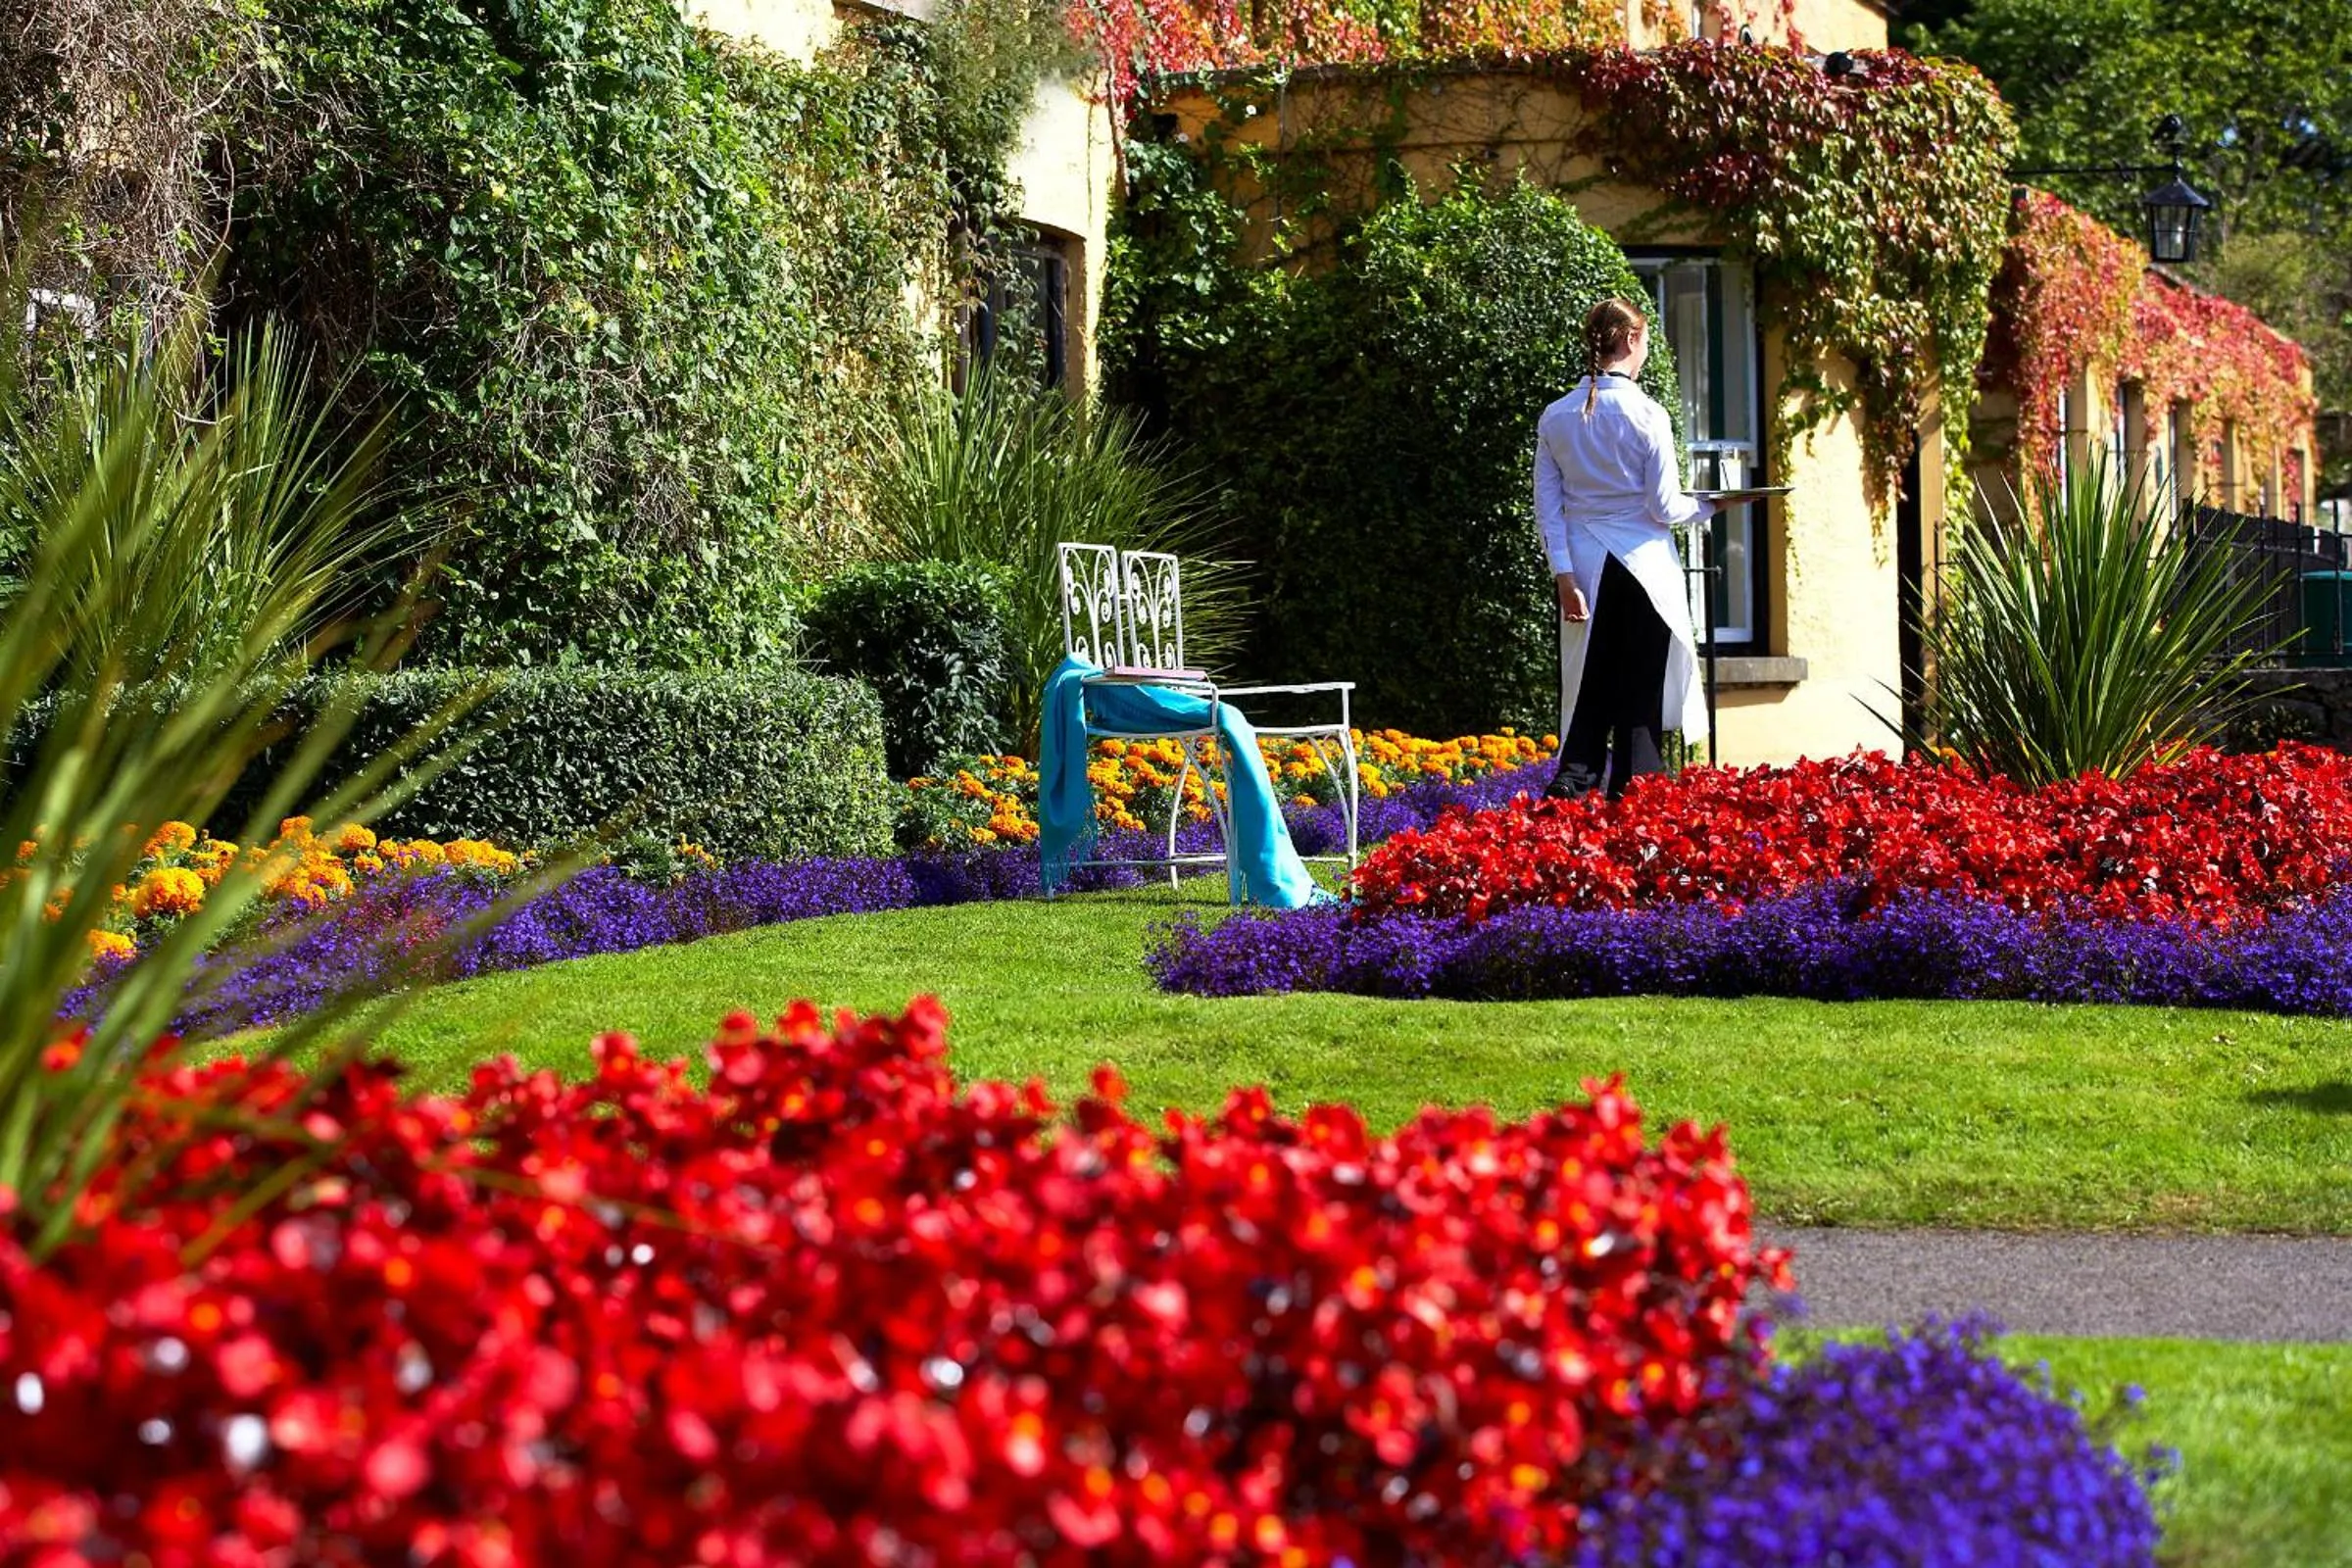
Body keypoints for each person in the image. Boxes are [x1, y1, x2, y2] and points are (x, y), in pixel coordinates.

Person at [1532, 297, 1725, 801]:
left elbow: (1548, 509)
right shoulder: (1648, 414)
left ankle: (1571, 796)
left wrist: (1563, 576)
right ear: (1633, 340)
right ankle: (1639, 806)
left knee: (1588, 691)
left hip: (1586, 566)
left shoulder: (1555, 417)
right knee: (1639, 694)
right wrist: (1711, 506)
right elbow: (1664, 507)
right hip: (1644, 568)